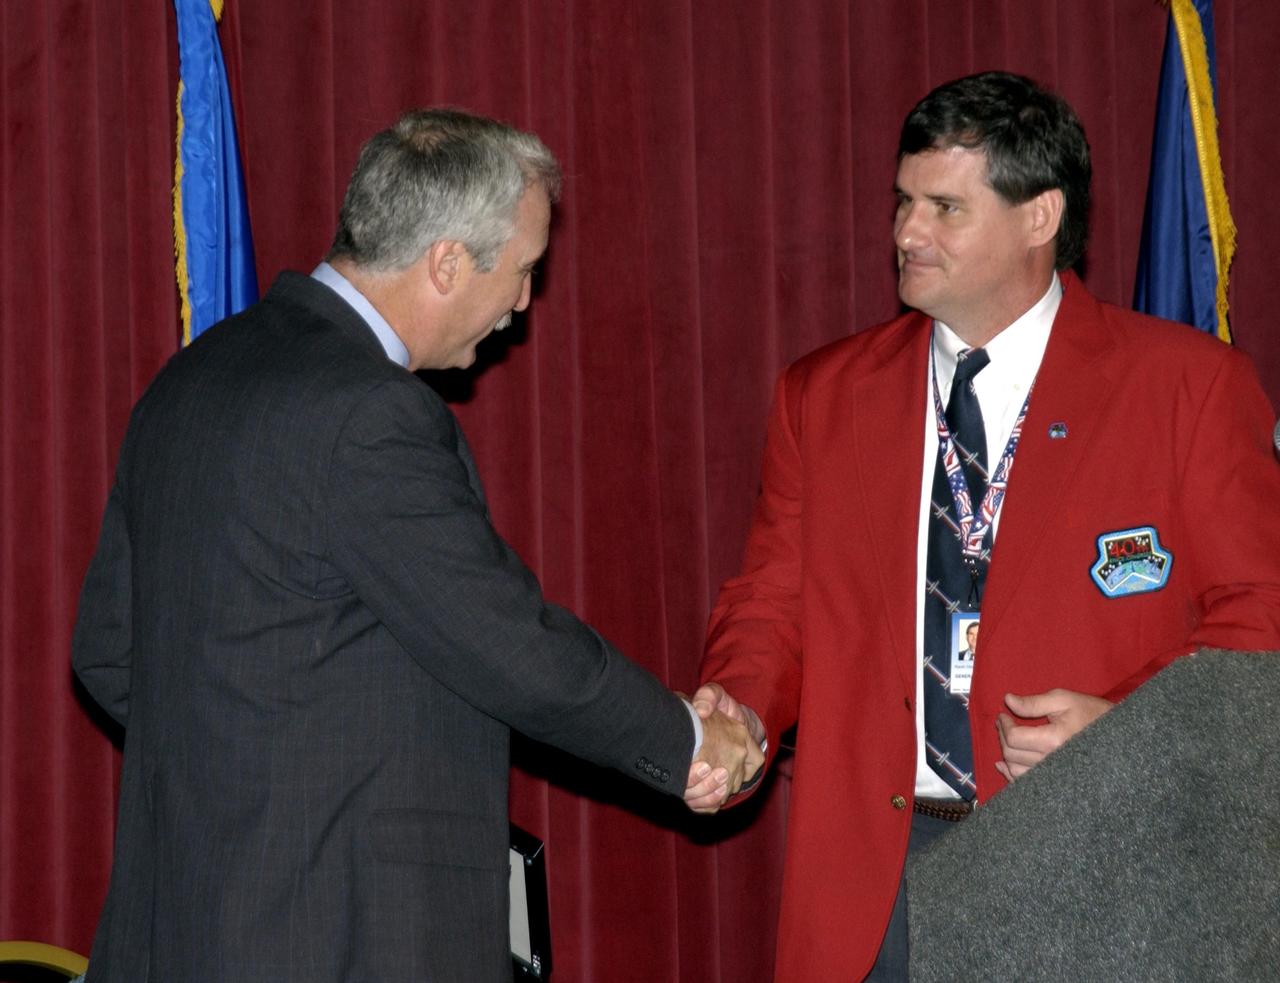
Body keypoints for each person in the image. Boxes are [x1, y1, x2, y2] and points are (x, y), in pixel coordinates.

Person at [72, 108, 761, 982]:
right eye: (523, 270)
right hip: (328, 938)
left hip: (175, 926)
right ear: (446, 263)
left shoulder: (190, 379)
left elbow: (107, 651)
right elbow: (509, 644)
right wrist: (688, 739)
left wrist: (253, 761)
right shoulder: (369, 413)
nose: (523, 304)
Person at [689, 72, 1280, 981]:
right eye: (903, 201)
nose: (905, 232)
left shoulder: (1188, 387)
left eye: (944, 208)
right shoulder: (824, 395)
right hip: (874, 886)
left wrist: (1130, 735)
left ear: (1040, 217)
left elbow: (1260, 616)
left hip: (1099, 872)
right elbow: (773, 605)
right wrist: (735, 710)